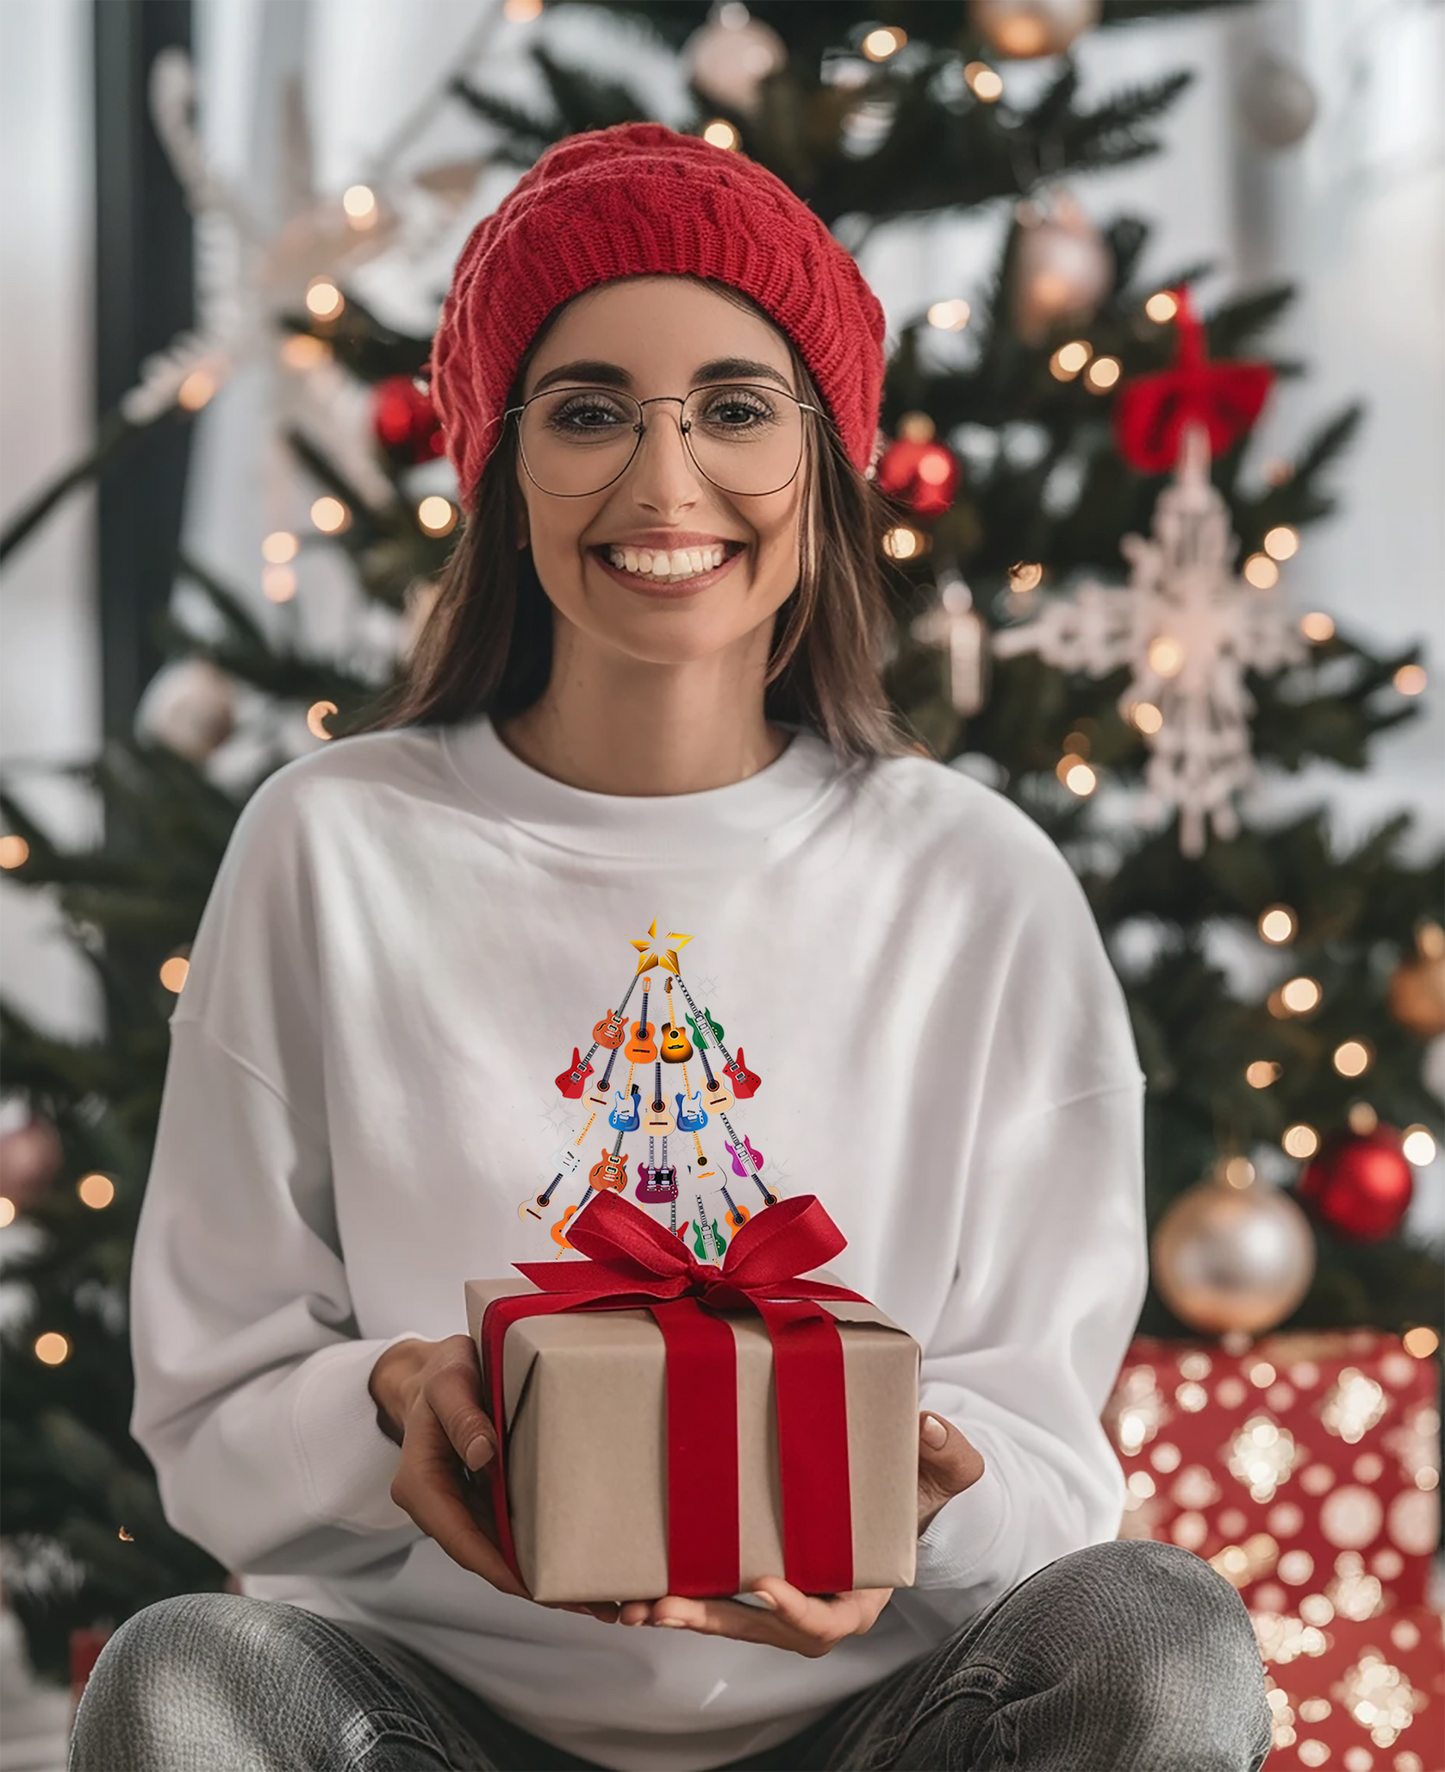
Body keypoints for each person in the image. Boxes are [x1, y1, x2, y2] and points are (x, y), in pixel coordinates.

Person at [70, 122, 1272, 1772]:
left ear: (825, 463)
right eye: (586, 413)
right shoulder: (328, 845)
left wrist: (927, 1495)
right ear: (501, 473)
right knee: (179, 1680)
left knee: (1162, 1639)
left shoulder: (977, 881)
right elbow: (211, 1412)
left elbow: (1054, 1459)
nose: (663, 484)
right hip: (427, 1724)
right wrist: (385, 1407)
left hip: (882, 1729)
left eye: (735, 409)